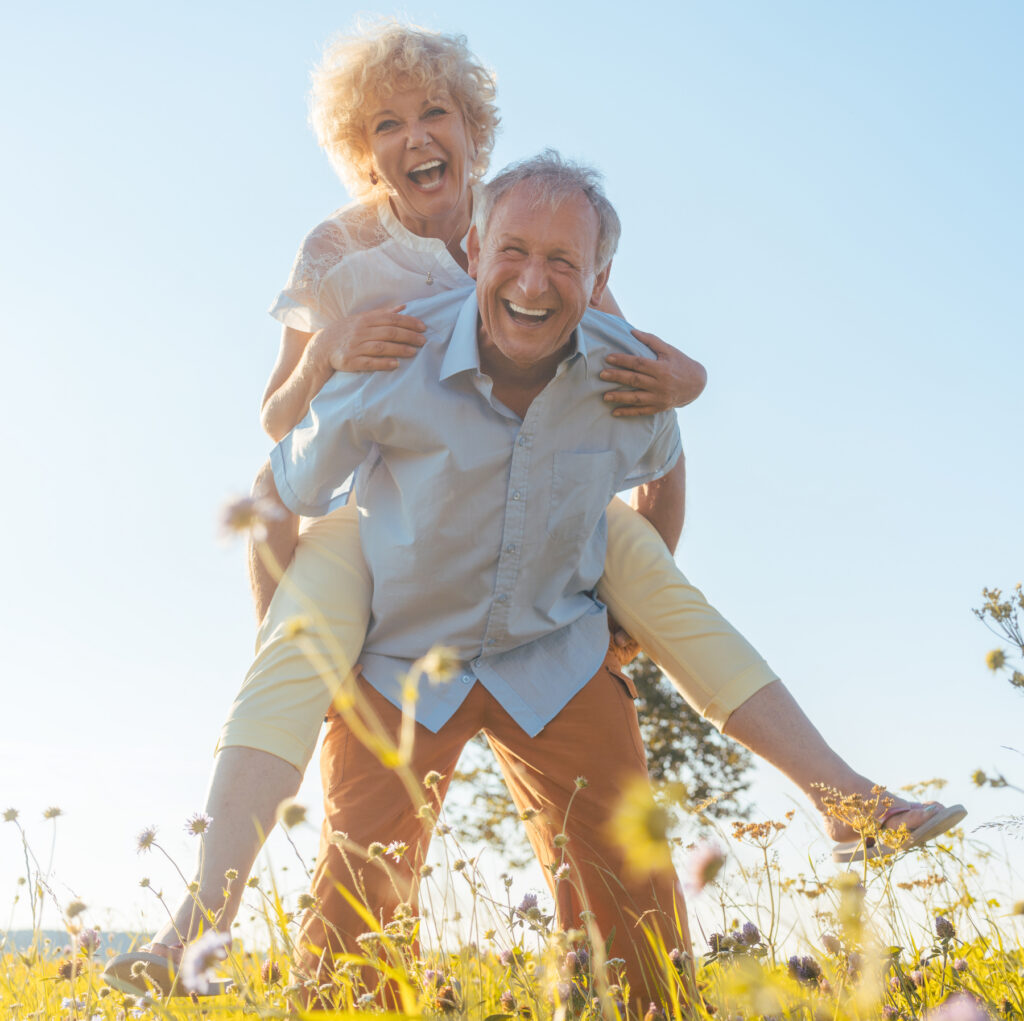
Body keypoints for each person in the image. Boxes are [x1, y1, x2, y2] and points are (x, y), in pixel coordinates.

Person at [102, 22, 964, 998]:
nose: (416, 133)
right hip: (393, 537)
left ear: (476, 132)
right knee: (310, 692)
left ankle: (837, 791)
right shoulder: (346, 257)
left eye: (436, 112)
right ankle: (199, 919)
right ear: (360, 150)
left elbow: (629, 361)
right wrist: (327, 349)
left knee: (649, 585)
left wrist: (684, 390)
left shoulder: (531, 230)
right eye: (387, 122)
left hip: (545, 558)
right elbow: (276, 440)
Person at [273, 152, 691, 1004]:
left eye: (565, 262)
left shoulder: (620, 371)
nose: (534, 282)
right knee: (357, 902)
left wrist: (629, 621)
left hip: (554, 650)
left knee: (633, 901)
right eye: (514, 251)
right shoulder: (400, 347)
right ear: (473, 249)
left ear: (599, 277)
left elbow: (665, 460)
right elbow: (283, 487)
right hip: (402, 658)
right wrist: (303, 664)